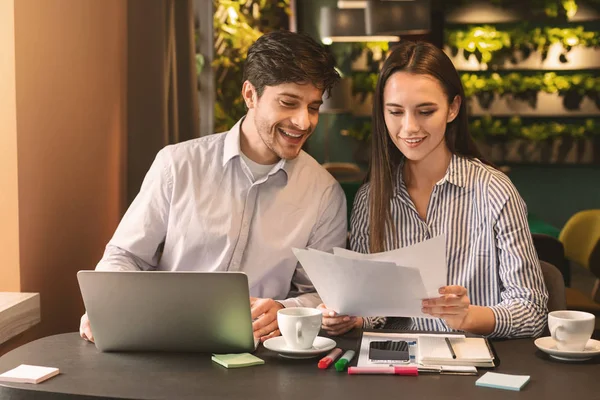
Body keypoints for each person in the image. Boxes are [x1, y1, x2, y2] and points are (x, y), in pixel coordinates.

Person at [79, 30, 347, 343]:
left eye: (313, 107)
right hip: (165, 345)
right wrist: (107, 306)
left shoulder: (325, 193)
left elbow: (322, 294)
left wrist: (283, 308)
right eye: (288, 103)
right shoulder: (177, 165)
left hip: (261, 360)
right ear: (250, 95)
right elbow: (125, 256)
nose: (303, 122)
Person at [319, 41, 548, 339]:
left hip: (473, 366)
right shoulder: (371, 198)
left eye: (425, 111)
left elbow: (532, 311)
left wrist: (469, 316)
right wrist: (350, 317)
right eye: (395, 112)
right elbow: (372, 309)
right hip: (396, 363)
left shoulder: (494, 191)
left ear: (452, 108)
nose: (409, 127)